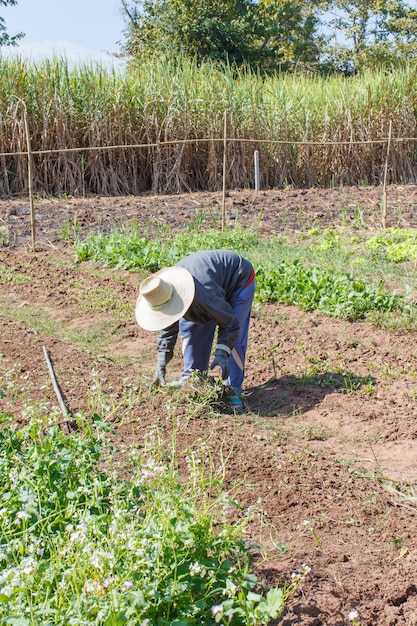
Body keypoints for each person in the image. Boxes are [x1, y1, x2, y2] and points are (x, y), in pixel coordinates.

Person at [135, 249, 256, 413]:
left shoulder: (204, 293)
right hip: (208, 287)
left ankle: (232, 390)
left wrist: (222, 351)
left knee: (235, 338)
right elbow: (168, 324)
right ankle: (193, 380)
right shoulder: (166, 292)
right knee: (191, 328)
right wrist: (162, 360)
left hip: (238, 280)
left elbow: (230, 322)